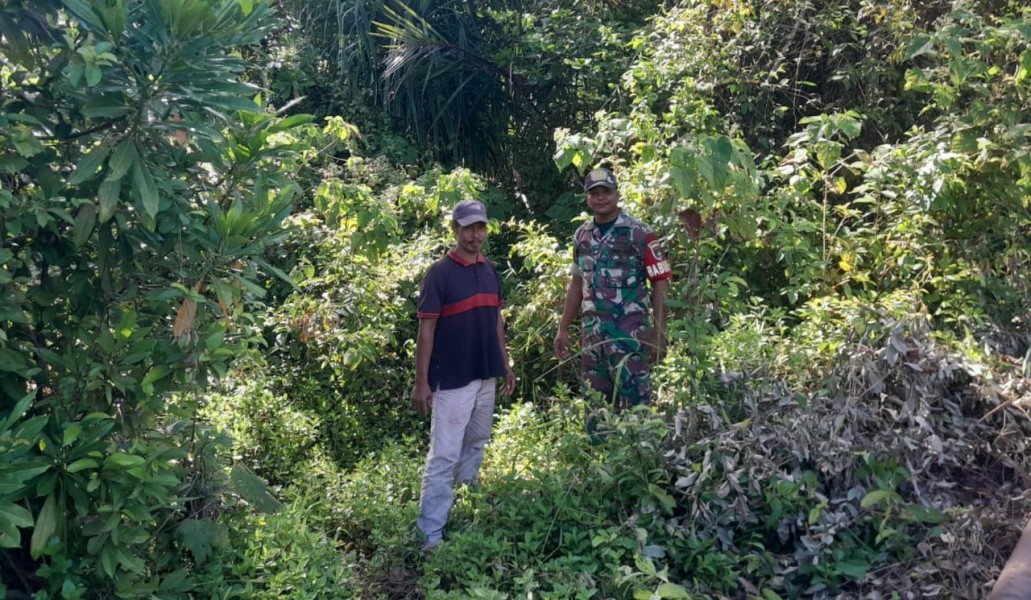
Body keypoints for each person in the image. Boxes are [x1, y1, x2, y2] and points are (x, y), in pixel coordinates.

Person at [412, 199, 516, 552]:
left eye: (481, 228)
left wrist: (506, 364)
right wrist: (421, 382)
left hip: (485, 373)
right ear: (455, 230)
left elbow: (497, 324)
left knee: (476, 444)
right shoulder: (439, 274)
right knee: (444, 455)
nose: (475, 235)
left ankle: (465, 510)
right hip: (453, 377)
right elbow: (426, 332)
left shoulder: (490, 271)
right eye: (468, 228)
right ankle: (431, 534)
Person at [553, 167, 672, 409]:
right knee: (596, 409)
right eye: (594, 193)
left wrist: (659, 334)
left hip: (630, 337)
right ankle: (598, 448)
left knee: (636, 410)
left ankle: (637, 448)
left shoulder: (639, 233)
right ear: (587, 198)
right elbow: (577, 283)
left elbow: (660, 282)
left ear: (617, 194)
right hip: (593, 338)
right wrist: (563, 327)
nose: (600, 197)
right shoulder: (582, 236)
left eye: (606, 191)